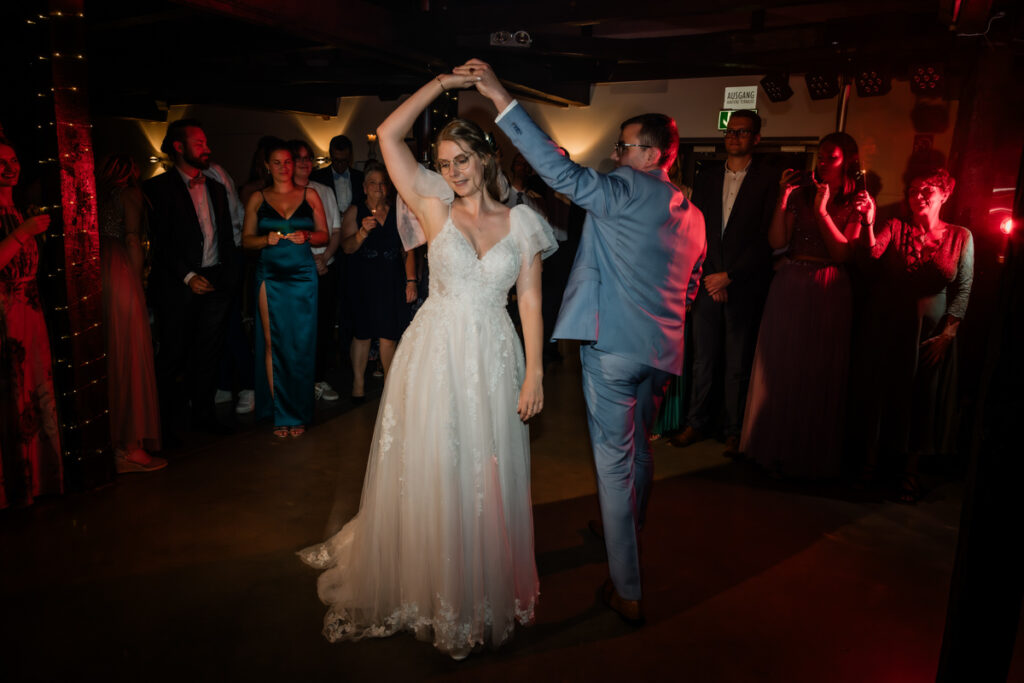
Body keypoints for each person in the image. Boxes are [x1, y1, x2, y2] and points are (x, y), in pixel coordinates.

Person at [299, 69, 555, 659]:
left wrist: (535, 372)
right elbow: (388, 134)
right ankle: (431, 584)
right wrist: (440, 84)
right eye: (444, 163)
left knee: (485, 470)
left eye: (463, 159)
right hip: (435, 352)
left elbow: (532, 301)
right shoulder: (434, 206)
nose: (454, 172)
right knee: (437, 464)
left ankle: (477, 583)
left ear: (486, 157)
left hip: (493, 354)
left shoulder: (523, 222)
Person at [467, 58, 706, 625]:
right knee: (640, 449)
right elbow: (692, 286)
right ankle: (627, 521)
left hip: (614, 350)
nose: (617, 156)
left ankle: (627, 588)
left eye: (625, 147)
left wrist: (500, 97)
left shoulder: (624, 189)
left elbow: (560, 172)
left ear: (651, 155)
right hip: (663, 351)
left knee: (615, 466)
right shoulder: (691, 213)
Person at [740, 132, 873, 478]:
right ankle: (774, 448)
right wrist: (784, 199)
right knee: (781, 365)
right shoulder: (800, 193)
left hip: (828, 284)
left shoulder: (858, 200)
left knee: (815, 369)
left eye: (831, 157)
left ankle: (805, 454)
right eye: (820, 155)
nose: (822, 162)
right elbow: (777, 242)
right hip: (791, 282)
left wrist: (823, 212)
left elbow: (843, 253)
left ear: (849, 160)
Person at [859, 166, 973, 502]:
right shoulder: (894, 226)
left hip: (933, 330)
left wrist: (947, 336)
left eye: (926, 190)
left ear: (944, 194)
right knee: (883, 392)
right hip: (891, 323)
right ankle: (869, 464)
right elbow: (869, 259)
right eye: (912, 190)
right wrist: (868, 223)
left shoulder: (960, 236)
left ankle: (910, 471)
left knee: (923, 396)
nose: (918, 196)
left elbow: (963, 288)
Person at [671, 110, 777, 456]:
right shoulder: (707, 177)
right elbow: (698, 230)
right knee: (702, 359)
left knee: (737, 362)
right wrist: (710, 276)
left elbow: (767, 239)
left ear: (756, 139)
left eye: (743, 132)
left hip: (743, 285)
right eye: (730, 131)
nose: (734, 137)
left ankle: (733, 429)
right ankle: (695, 422)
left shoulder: (767, 180)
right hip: (707, 281)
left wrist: (730, 276)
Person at [145, 119, 240, 437]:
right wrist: (187, 276)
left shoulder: (215, 187)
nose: (207, 149)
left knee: (208, 354)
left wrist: (227, 277)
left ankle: (204, 417)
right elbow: (160, 243)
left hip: (215, 281)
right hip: (178, 285)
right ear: (178, 147)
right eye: (199, 143)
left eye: (205, 142)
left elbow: (225, 236)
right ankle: (168, 426)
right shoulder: (157, 189)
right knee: (174, 354)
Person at [242, 139, 328, 438]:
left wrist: (307, 235)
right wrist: (266, 240)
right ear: (267, 165)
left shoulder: (311, 194)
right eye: (276, 162)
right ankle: (282, 414)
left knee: (302, 343)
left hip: (303, 274)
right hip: (270, 274)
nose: (282, 167)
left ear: (294, 165)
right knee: (272, 342)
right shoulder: (257, 198)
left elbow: (324, 236)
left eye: (287, 162)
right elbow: (246, 241)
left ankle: (298, 412)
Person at [0, 140, 62, 508]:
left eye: (13, 159)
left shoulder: (22, 206)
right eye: (1, 162)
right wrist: (23, 231)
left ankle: (37, 480)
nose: (9, 167)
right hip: (4, 314)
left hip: (30, 310)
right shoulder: (19, 218)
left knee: (35, 392)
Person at [97, 155, 166, 473]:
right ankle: (131, 446)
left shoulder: (96, 195)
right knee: (132, 353)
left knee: (110, 354)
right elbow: (133, 239)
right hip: (121, 268)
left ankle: (111, 443)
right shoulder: (130, 194)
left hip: (97, 268)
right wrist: (138, 283)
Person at [339, 163, 416, 399]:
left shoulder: (398, 211)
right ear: (364, 187)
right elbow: (347, 247)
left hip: (392, 279)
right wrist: (362, 233)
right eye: (373, 183)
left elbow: (409, 250)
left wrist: (411, 280)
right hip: (363, 280)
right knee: (362, 334)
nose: (378, 188)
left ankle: (389, 389)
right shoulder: (355, 211)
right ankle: (359, 384)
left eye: (383, 183)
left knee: (388, 334)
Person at [290, 139, 342, 403]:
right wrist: (309, 261)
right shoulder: (281, 193)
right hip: (294, 272)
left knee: (322, 328)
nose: (305, 163)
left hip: (324, 270)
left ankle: (318, 379)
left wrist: (325, 257)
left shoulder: (324, 190)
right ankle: (297, 383)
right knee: (297, 330)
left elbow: (335, 230)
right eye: (299, 159)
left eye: (308, 158)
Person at [310, 135, 365, 217]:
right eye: (336, 160)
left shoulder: (361, 177)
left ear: (350, 157)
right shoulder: (317, 178)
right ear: (331, 156)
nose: (340, 164)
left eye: (344, 160)